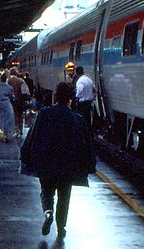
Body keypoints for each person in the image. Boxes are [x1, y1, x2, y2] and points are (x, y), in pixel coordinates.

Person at [20, 81, 95, 239]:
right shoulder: (77, 118)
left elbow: (32, 137)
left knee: (46, 192)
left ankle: (48, 212)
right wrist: (89, 165)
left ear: (55, 97)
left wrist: (25, 155)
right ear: (71, 99)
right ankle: (61, 228)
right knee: (64, 196)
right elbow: (85, 144)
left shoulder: (44, 113)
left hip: (45, 162)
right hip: (67, 165)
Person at [6, 67, 29, 138]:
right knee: (20, 115)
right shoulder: (21, 80)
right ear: (16, 73)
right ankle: (21, 129)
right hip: (20, 100)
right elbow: (25, 91)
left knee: (14, 115)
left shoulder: (8, 81)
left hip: (11, 101)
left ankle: (16, 130)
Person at [74, 66, 96, 132]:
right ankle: (88, 133)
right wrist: (92, 97)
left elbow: (80, 90)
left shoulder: (80, 81)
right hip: (89, 103)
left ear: (77, 73)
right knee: (87, 120)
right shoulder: (89, 80)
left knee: (81, 120)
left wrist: (77, 96)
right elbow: (94, 90)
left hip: (82, 104)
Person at [0, 71, 16, 142]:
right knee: (8, 120)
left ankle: (1, 135)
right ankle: (7, 135)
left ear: (0, 79)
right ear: (6, 79)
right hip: (7, 106)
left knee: (0, 120)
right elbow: (12, 96)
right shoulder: (9, 87)